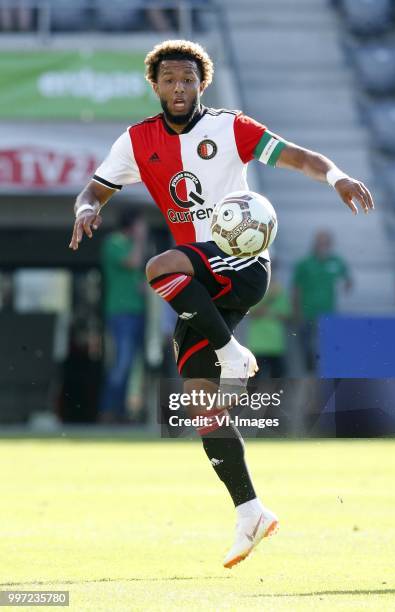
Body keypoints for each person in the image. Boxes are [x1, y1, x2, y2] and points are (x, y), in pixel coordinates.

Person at [69, 39, 374, 568]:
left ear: (202, 83)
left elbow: (299, 156)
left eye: (189, 80)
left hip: (241, 261)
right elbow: (95, 190)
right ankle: (250, 510)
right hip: (200, 283)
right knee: (200, 400)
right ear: (156, 85)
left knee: (158, 266)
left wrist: (337, 176)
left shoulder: (231, 128)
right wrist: (83, 209)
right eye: (170, 80)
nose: (180, 88)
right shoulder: (137, 141)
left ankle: (233, 352)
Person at [99, 208, 147, 424]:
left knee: (132, 364)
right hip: (120, 312)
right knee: (121, 362)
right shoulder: (115, 242)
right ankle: (108, 411)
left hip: (136, 312)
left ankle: (121, 412)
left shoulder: (129, 245)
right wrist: (139, 240)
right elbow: (133, 263)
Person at [293, 230, 352, 372]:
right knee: (307, 348)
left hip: (328, 314)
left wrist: (346, 285)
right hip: (307, 312)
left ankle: (322, 375)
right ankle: (310, 375)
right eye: (320, 242)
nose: (323, 246)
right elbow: (296, 289)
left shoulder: (336, 261)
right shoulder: (304, 263)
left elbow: (348, 279)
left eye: (326, 243)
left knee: (327, 349)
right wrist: (297, 312)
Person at [247, 262, 291, 378]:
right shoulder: (256, 289)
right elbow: (252, 314)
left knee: (278, 379)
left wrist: (267, 312)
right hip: (258, 345)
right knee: (255, 381)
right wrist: (270, 300)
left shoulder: (279, 290)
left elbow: (286, 315)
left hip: (276, 345)